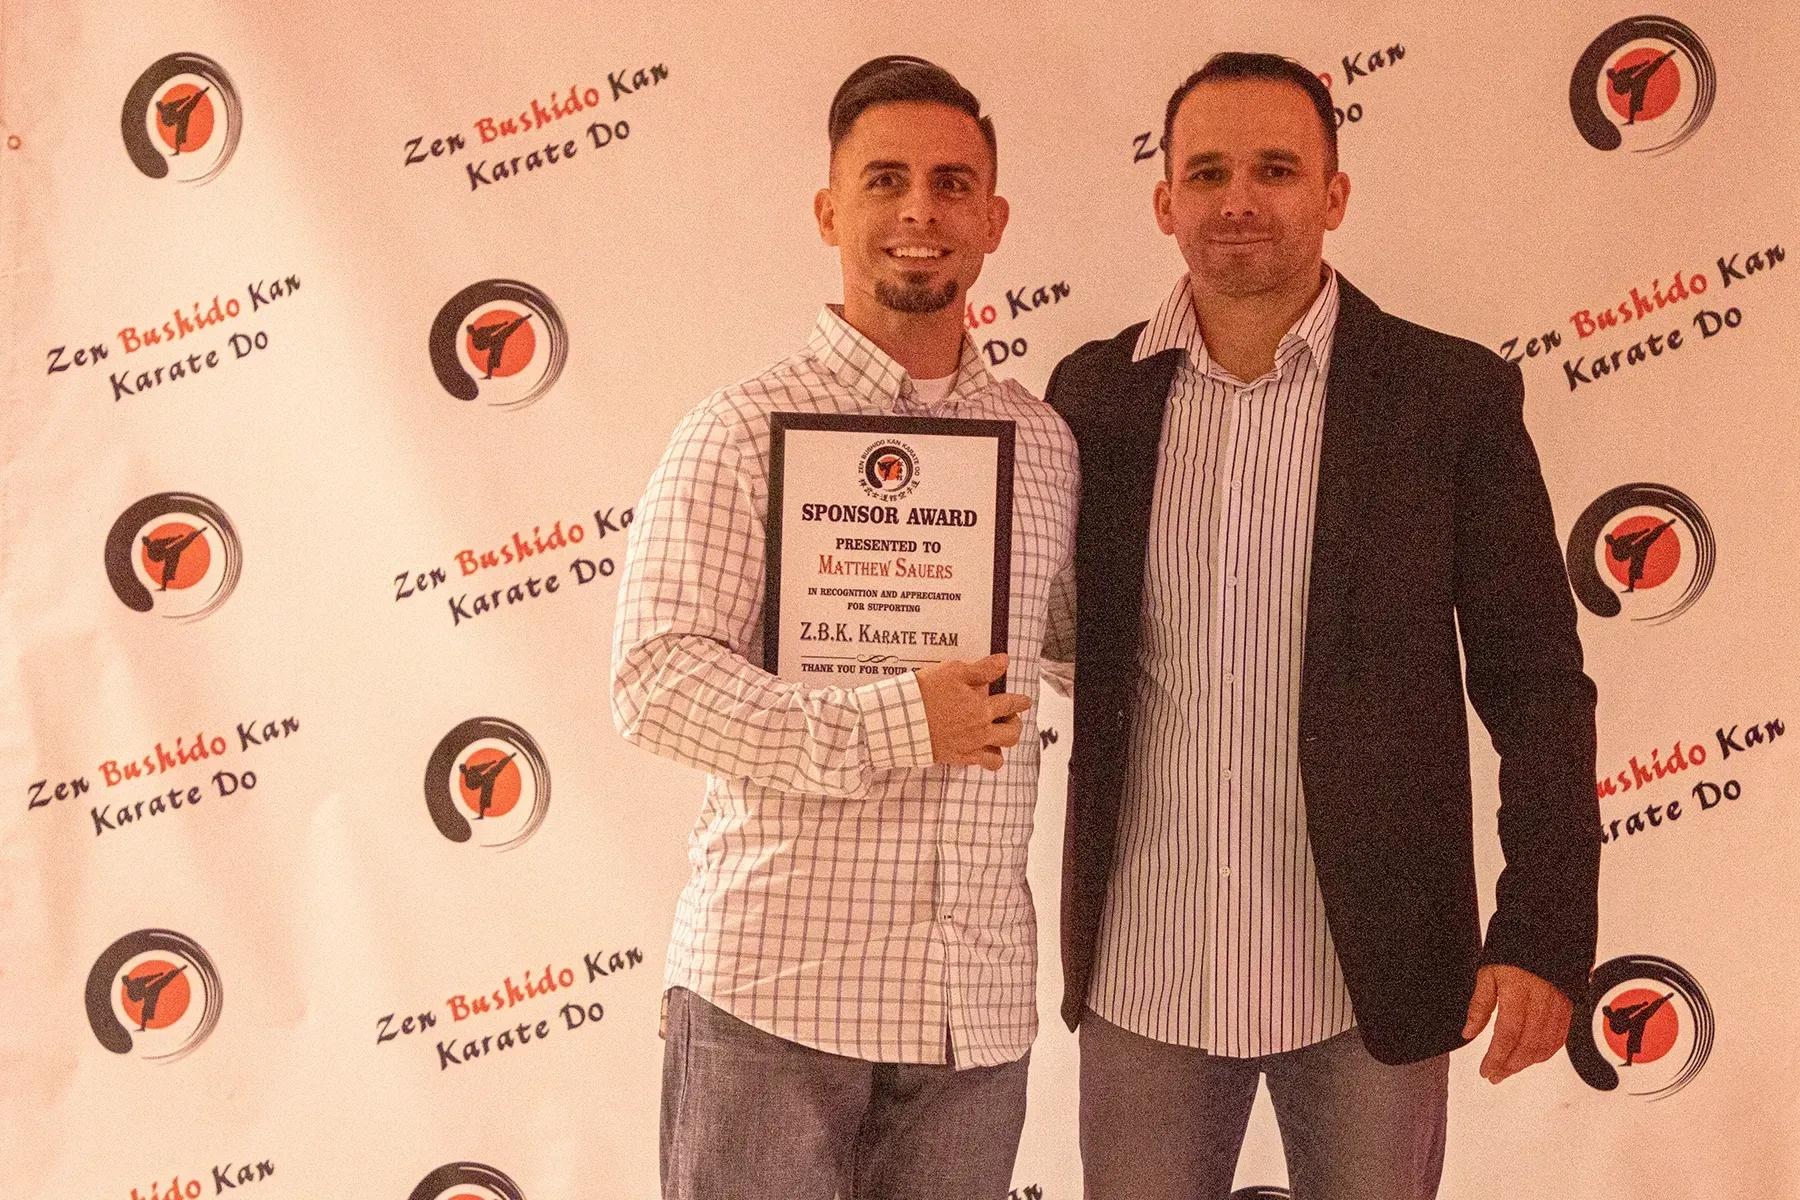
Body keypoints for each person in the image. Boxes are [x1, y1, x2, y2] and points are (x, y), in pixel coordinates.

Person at [1044, 52, 1600, 1200]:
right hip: (1146, 967)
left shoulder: (1449, 399)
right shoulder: (1090, 400)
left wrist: (1544, 927)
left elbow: (1537, 684)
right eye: (1207, 171)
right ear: (1165, 202)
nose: (1239, 198)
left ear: (1333, 195)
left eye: (1276, 168)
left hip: (1371, 976)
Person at [612, 55, 1078, 1200]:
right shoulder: (739, 429)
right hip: (774, 997)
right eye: (885, 181)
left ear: (994, 220)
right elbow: (654, 681)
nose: (921, 209)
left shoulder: (1049, 448)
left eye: (953, 183)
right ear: (831, 211)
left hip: (970, 1012)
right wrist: (895, 720)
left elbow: (1083, 652)